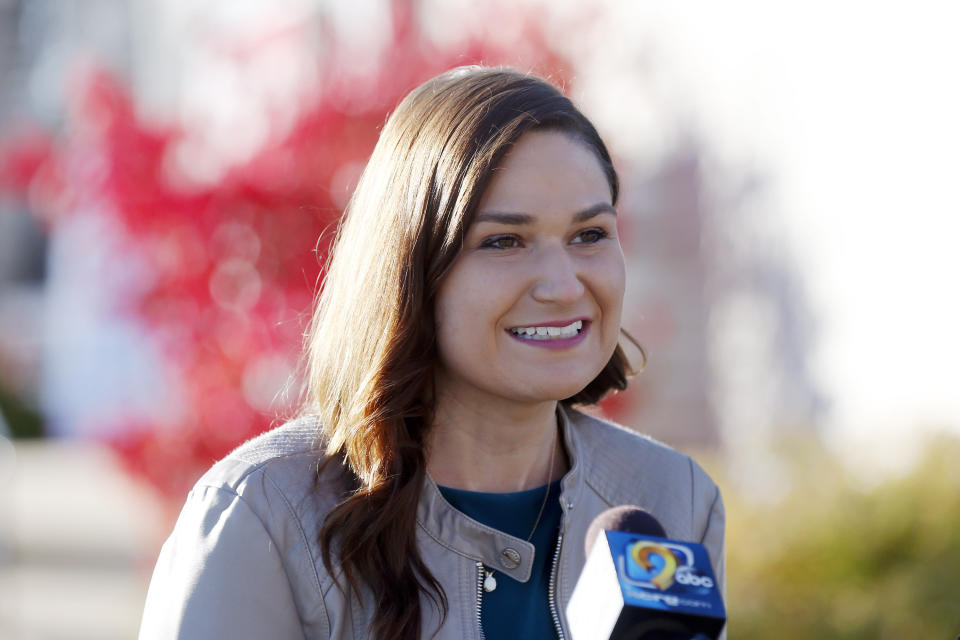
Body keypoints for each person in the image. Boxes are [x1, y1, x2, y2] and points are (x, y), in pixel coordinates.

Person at [138, 66, 725, 640]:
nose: (564, 284)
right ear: (412, 271)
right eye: (503, 241)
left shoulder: (673, 498)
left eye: (589, 234)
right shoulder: (262, 517)